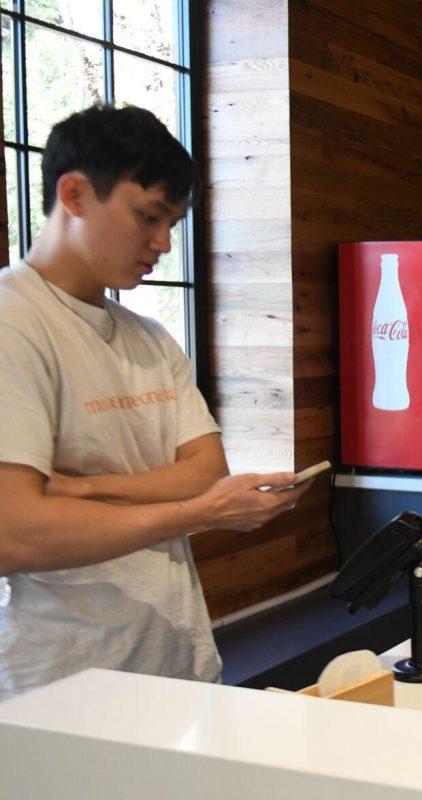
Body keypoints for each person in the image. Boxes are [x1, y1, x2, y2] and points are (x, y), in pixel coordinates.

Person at [0, 104, 309, 702]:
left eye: (173, 223)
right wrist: (198, 512)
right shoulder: (15, 322)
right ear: (74, 194)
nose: (164, 243)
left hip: (177, 665)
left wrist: (78, 489)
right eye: (149, 217)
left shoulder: (150, 337)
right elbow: (15, 531)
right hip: (61, 689)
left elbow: (206, 471)